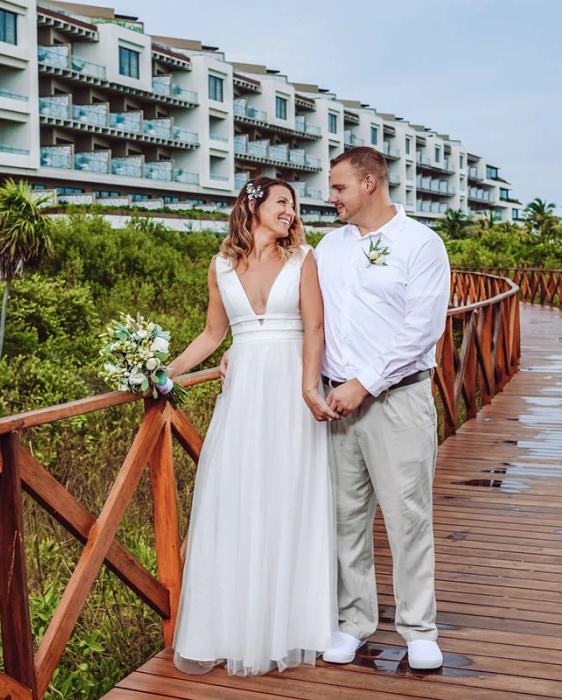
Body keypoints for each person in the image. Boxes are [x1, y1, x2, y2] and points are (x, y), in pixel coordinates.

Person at [166, 176, 338, 676]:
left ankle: (296, 624)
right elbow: (213, 334)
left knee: (291, 495)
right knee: (236, 497)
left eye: (294, 205)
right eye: (282, 202)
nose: (291, 211)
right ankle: (231, 626)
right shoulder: (219, 265)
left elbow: (316, 327)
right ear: (254, 205)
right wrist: (165, 371)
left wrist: (310, 387)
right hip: (242, 398)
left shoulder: (305, 259)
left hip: (291, 390)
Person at [316, 147, 450, 670]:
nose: (331, 198)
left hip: (397, 399)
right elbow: (310, 316)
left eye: (339, 187)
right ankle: (354, 621)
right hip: (337, 403)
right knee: (346, 518)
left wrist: (363, 385)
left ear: (370, 183)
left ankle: (419, 629)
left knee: (407, 517)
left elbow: (422, 328)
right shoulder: (328, 248)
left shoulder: (422, 244)